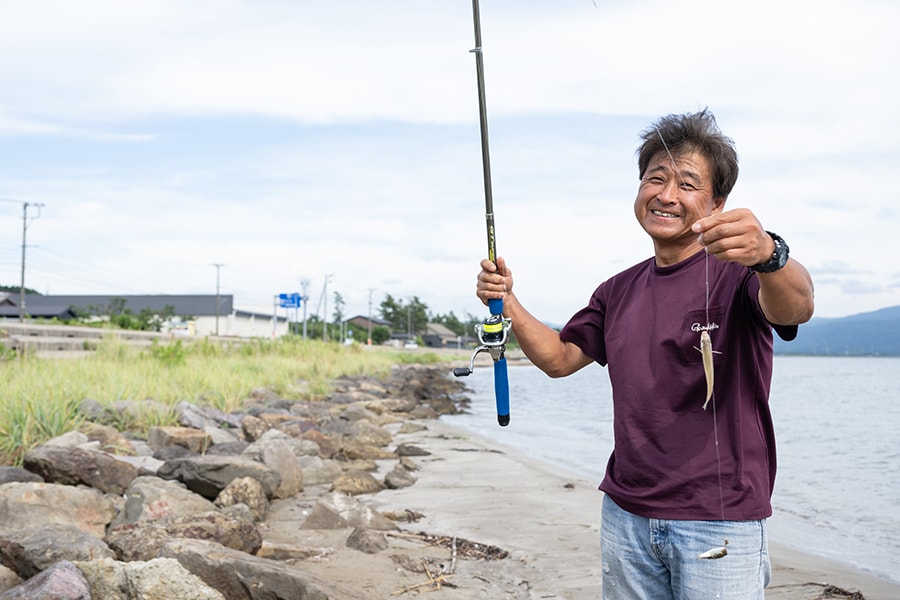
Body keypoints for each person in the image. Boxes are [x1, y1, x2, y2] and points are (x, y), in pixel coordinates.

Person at [475, 109, 815, 599]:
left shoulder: (743, 274)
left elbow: (798, 306)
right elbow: (558, 358)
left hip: (719, 523)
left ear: (717, 202)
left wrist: (770, 254)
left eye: (687, 184)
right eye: (655, 178)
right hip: (626, 515)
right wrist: (508, 301)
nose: (667, 195)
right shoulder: (616, 291)